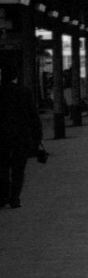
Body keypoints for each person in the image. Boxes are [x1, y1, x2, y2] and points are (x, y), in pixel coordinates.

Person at [1, 65, 45, 209]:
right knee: (18, 169)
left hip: (2, 137)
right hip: (21, 136)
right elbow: (33, 115)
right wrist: (38, 136)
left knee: (2, 168)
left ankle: (2, 197)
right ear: (16, 77)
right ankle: (15, 199)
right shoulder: (24, 92)